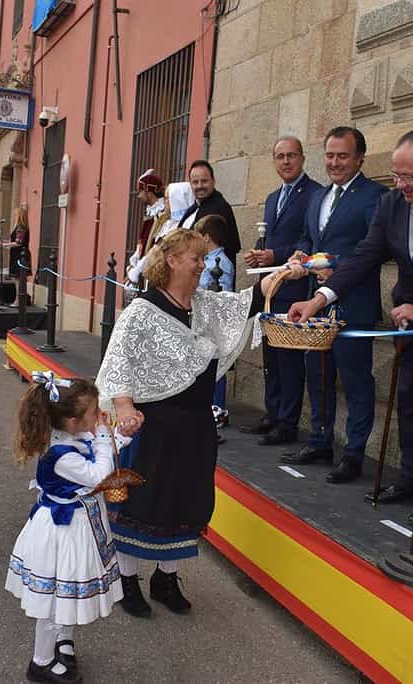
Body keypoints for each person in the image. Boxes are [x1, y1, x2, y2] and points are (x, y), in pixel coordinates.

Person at [97, 229, 281, 617]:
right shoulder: (140, 311)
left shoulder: (204, 305)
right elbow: (118, 365)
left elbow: (245, 304)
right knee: (143, 503)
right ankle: (127, 581)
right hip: (154, 426)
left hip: (196, 424)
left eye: (202, 257)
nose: (202, 264)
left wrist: (288, 272)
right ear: (172, 261)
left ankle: (166, 579)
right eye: (195, 258)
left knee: (187, 500)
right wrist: (126, 407)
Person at [287, 130, 413, 503]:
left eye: (408, 177)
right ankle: (410, 483)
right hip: (408, 323)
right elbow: (365, 256)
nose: (400, 185)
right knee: (411, 403)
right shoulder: (391, 204)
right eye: (396, 177)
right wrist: (319, 301)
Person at [280, 126, 386, 485]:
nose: (335, 162)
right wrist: (301, 254)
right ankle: (319, 441)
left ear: (359, 158)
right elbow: (311, 238)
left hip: (353, 303)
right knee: (318, 376)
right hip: (315, 303)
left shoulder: (376, 196)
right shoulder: (319, 196)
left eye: (343, 156)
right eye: (329, 155)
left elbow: (375, 249)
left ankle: (354, 454)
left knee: (356, 381)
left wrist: (334, 264)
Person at [5, 375, 125, 684]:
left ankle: (63, 639)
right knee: (53, 600)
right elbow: (100, 473)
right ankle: (40, 663)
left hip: (77, 526)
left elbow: (96, 449)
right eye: (92, 414)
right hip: (62, 532)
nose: (98, 417)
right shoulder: (60, 456)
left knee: (66, 590)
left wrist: (119, 436)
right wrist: (102, 434)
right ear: (72, 421)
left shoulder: (68, 436)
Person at [241, 136, 322, 445]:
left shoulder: (314, 194)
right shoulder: (274, 197)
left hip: (297, 289)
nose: (286, 162)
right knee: (271, 358)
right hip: (272, 289)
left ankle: (287, 423)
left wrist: (277, 256)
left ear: (302, 158)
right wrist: (260, 254)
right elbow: (271, 242)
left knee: (289, 362)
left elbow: (309, 240)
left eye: (291, 156)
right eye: (280, 157)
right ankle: (272, 414)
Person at [195, 215, 236, 440]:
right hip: (204, 319)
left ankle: (218, 408)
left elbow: (224, 292)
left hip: (215, 321)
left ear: (207, 238)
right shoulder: (206, 259)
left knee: (216, 364)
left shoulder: (221, 263)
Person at [177, 160, 240, 273]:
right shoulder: (192, 208)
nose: (200, 186)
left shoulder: (220, 208)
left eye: (204, 181)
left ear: (213, 181)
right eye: (195, 182)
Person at [134, 169, 168, 259]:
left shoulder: (163, 215)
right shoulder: (151, 213)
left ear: (149, 192)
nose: (139, 196)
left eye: (141, 192)